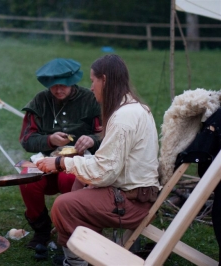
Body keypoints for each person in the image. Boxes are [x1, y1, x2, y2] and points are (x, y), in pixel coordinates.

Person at [36, 54, 160, 266]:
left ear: (104, 79)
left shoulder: (124, 116)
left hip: (133, 203)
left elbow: (105, 172)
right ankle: (83, 249)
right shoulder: (131, 109)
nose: (91, 87)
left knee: (63, 205)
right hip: (130, 194)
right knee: (78, 184)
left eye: (93, 81)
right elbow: (109, 166)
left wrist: (60, 163)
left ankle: (77, 262)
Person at [19, 58, 102, 249]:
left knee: (68, 180)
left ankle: (69, 234)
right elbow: (26, 139)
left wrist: (92, 140)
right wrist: (50, 140)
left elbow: (105, 134)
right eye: (53, 86)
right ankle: (41, 231)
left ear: (72, 81)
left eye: (63, 85)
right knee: (28, 181)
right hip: (44, 163)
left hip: (77, 162)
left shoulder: (90, 99)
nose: (58, 90)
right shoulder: (40, 101)